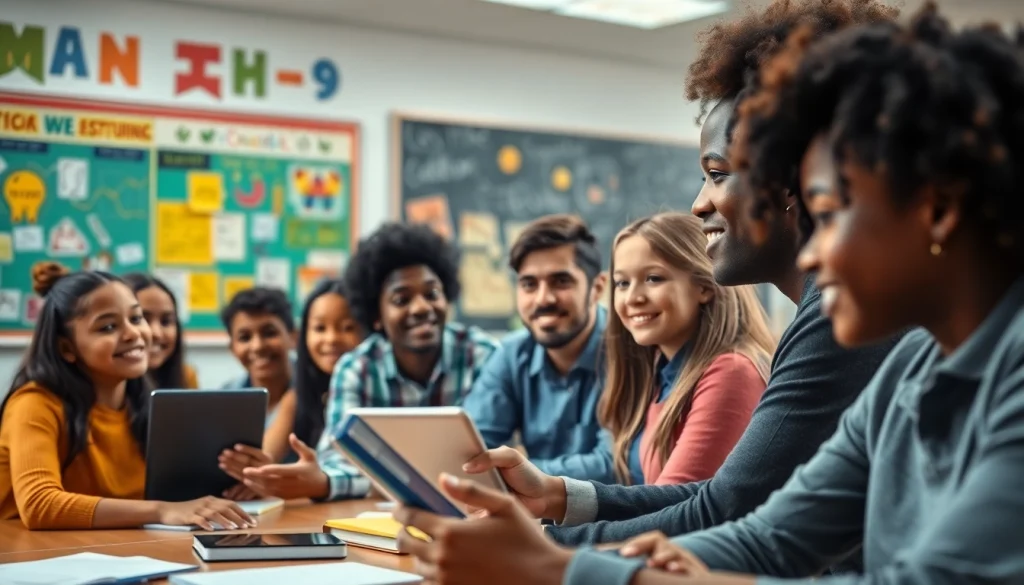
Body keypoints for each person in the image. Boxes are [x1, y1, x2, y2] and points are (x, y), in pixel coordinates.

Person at [399, 6, 1024, 584]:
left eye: (829, 213)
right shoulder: (907, 374)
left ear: (936, 210)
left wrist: (560, 568)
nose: (810, 251)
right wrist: (562, 552)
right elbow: (763, 537)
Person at [448, 0, 903, 550]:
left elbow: (728, 507)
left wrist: (546, 546)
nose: (698, 204)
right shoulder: (827, 313)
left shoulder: (839, 317)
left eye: (716, 175)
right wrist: (558, 499)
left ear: (791, 179)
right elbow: (724, 495)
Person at [231, 223, 499, 500]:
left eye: (432, 294)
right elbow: (340, 459)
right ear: (376, 316)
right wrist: (324, 480)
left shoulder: (482, 355)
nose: (421, 307)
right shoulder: (356, 368)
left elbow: (489, 455)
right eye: (401, 299)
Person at [0, 262, 252, 530]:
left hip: (114, 550)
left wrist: (240, 481)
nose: (136, 333)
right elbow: (40, 504)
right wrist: (162, 511)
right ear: (66, 347)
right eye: (108, 327)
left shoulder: (146, 402)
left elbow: (178, 491)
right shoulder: (35, 403)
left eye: (135, 318)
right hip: (32, 556)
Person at [601, 212, 772, 486]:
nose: (632, 298)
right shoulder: (661, 369)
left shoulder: (732, 371)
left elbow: (674, 506)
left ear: (704, 287)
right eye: (622, 283)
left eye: (653, 278)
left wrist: (553, 525)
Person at [461, 215, 613, 482]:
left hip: (617, 520)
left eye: (561, 281)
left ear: (597, 288)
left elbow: (613, 466)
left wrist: (517, 469)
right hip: (534, 517)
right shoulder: (512, 354)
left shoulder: (631, 351)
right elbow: (469, 454)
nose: (543, 298)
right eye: (529, 284)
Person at [218, 287, 297, 438]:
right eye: (245, 338)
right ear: (232, 348)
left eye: (269, 333)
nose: (258, 346)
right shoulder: (224, 399)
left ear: (293, 337)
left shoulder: (316, 390)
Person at [122, 272, 198, 389]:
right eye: (141, 319)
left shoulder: (187, 377)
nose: (156, 333)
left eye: (166, 321)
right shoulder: (107, 388)